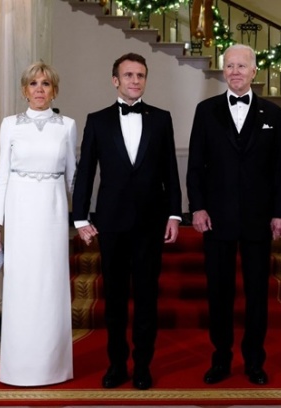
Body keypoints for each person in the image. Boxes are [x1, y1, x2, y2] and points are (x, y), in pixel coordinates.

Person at [72, 52, 182, 390]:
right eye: (129, 75)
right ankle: (117, 365)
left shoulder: (161, 119)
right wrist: (80, 218)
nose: (135, 80)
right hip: (112, 221)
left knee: (147, 298)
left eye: (140, 75)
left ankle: (143, 366)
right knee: (115, 299)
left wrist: (175, 213)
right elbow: (86, 171)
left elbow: (170, 171)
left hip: (151, 221)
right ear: (115, 80)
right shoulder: (97, 120)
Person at [186, 44, 281, 386]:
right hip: (216, 218)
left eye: (241, 66)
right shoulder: (206, 110)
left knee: (258, 294)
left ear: (254, 71)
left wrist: (280, 212)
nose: (235, 71)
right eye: (229, 65)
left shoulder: (273, 114)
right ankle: (221, 359)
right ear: (223, 70)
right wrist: (197, 207)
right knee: (219, 293)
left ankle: (254, 361)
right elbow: (195, 164)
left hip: (259, 219)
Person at [0, 62, 76, 386]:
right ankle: (18, 367)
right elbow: (2, 176)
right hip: (20, 213)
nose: (39, 89)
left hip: (52, 214)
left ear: (55, 90)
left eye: (46, 84)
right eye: (34, 84)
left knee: (50, 287)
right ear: (24, 90)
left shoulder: (67, 126)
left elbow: (73, 178)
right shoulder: (10, 124)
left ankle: (53, 367)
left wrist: (81, 218)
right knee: (21, 287)